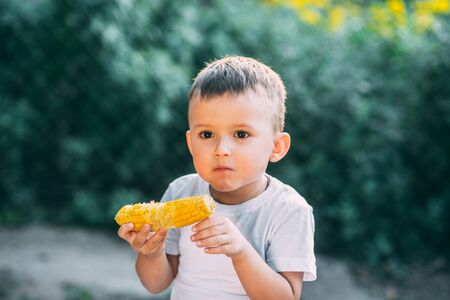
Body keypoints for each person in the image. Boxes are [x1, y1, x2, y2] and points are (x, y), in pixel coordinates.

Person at [118, 56, 316, 299]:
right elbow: (156, 284)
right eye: (207, 134)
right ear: (191, 144)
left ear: (276, 147)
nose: (221, 149)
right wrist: (151, 253)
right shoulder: (181, 191)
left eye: (241, 134)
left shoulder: (288, 210)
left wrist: (241, 251)